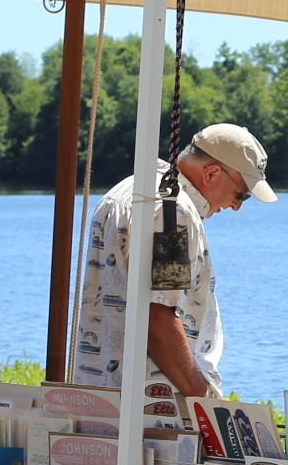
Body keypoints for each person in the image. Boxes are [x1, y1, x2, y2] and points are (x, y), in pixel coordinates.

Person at [69, 122, 274, 399]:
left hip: (99, 394)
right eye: (242, 194)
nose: (236, 206)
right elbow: (159, 320)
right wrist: (200, 396)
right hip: (152, 406)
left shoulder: (128, 189)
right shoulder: (173, 212)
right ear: (212, 173)